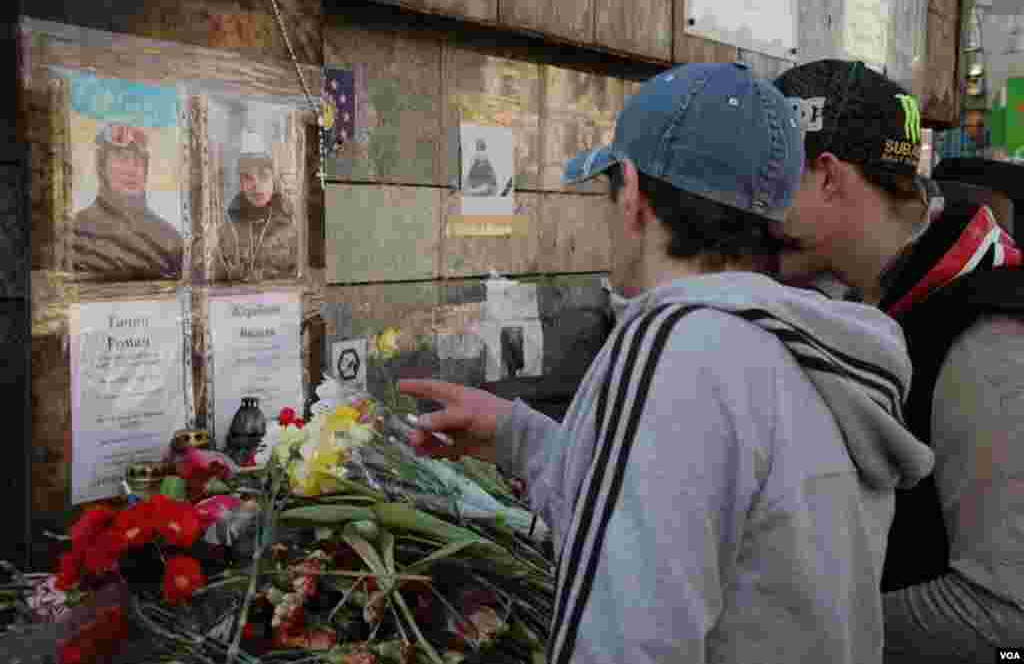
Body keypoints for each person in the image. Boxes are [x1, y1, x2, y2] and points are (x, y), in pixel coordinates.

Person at [399, 62, 933, 663]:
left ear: (631, 193)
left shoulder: (676, 344)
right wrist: (515, 435)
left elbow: (625, 638)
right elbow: (694, 525)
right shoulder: (806, 348)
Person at [773, 59, 1024, 661]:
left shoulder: (985, 336)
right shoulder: (860, 299)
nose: (746, 208)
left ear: (827, 177)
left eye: (765, 179)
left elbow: (1004, 614)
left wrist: (778, 631)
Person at [72, 122, 184, 281]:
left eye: (139, 161)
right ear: (101, 167)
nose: (132, 170)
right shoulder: (74, 233)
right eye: (122, 158)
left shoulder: (170, 239)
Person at [215, 130, 298, 282]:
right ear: (240, 182)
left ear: (274, 179)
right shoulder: (226, 230)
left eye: (263, 175)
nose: (256, 185)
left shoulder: (294, 226)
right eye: (248, 177)